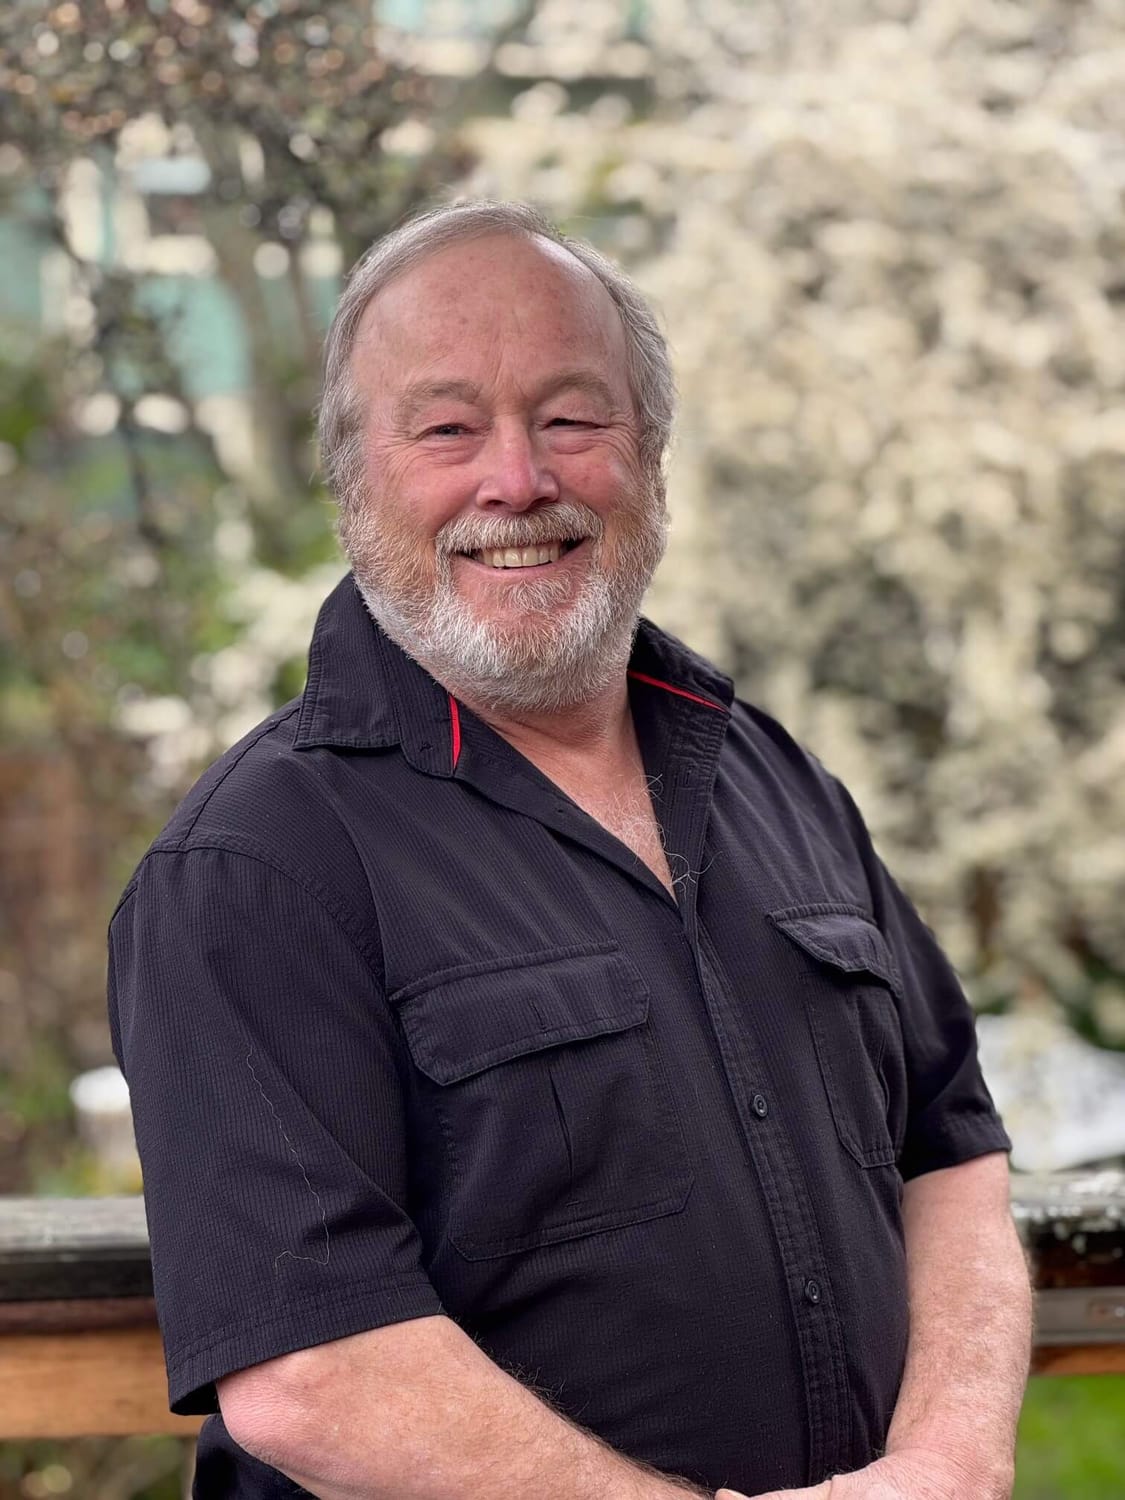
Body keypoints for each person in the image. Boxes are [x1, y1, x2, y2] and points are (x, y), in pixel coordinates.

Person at [108, 199, 1032, 1500]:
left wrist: (947, 1462)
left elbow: (949, 1146)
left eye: (570, 418)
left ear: (648, 456)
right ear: (353, 480)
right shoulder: (257, 867)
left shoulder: (779, 780)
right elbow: (311, 1368)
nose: (516, 480)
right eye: (446, 428)